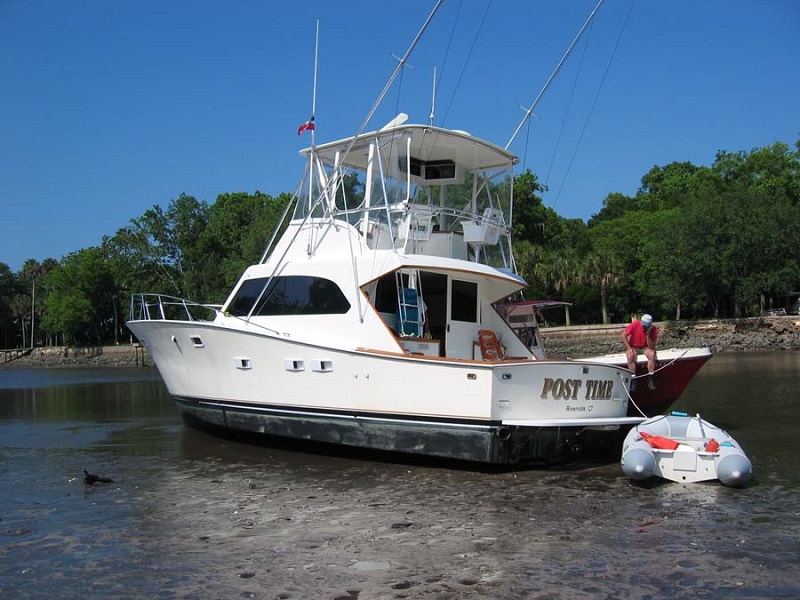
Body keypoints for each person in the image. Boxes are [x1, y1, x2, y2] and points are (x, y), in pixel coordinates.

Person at [621, 314, 658, 387]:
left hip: (645, 347)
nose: (644, 327)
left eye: (646, 326)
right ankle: (633, 378)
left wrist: (648, 335)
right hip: (633, 346)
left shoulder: (654, 330)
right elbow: (623, 335)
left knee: (652, 354)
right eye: (643, 325)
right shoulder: (635, 324)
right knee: (630, 355)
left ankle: (651, 376)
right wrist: (629, 348)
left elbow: (651, 347)